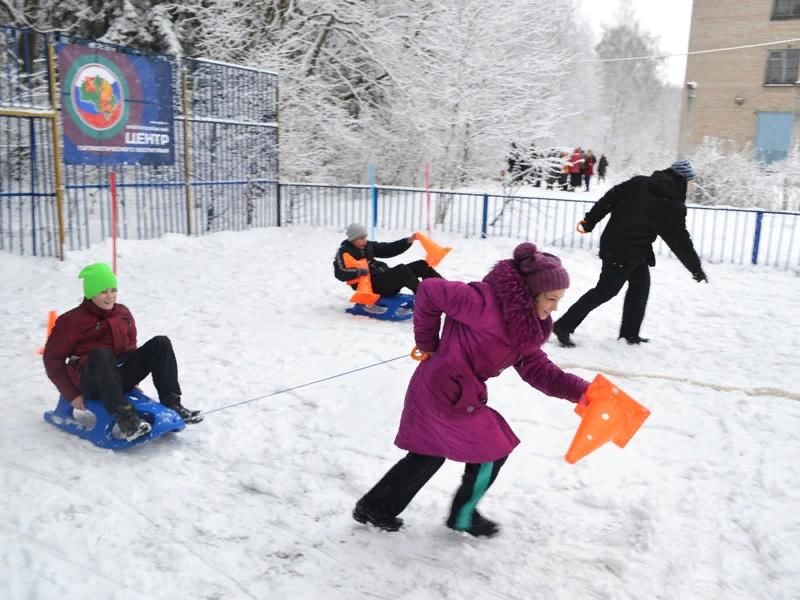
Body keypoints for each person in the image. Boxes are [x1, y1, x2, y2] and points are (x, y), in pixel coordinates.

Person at [352, 242, 589, 537]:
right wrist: (427, 343)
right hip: (442, 390)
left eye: (559, 301)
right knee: (492, 449)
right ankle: (463, 516)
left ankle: (376, 507)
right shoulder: (482, 303)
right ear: (530, 293)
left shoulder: (525, 329)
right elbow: (429, 291)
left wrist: (585, 393)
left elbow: (540, 370)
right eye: (551, 299)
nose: (554, 308)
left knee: (428, 452)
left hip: (453, 392)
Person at [553, 160, 708, 348]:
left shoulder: (639, 183)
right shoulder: (672, 204)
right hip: (624, 252)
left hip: (625, 248)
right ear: (681, 181)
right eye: (689, 182)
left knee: (640, 287)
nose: (690, 186)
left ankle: (630, 334)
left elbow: (609, 199)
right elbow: (680, 241)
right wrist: (696, 268)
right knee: (605, 290)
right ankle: (564, 325)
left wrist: (590, 221)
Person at [43, 263, 202, 442]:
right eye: (103, 291)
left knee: (161, 343)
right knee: (101, 353)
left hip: (116, 375)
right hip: (90, 381)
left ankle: (173, 403)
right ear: (90, 293)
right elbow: (52, 359)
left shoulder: (122, 313)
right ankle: (127, 421)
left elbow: (130, 347)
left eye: (113, 290)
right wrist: (71, 394)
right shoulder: (71, 321)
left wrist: (131, 375)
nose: (110, 296)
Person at [333, 223, 442, 297]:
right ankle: (425, 298)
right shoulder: (343, 252)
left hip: (384, 277)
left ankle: (446, 289)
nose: (365, 241)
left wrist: (407, 241)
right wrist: (359, 272)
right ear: (352, 239)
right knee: (402, 270)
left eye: (365, 237)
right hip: (372, 286)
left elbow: (388, 249)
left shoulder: (368, 246)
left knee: (422, 265)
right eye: (361, 238)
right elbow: (339, 273)